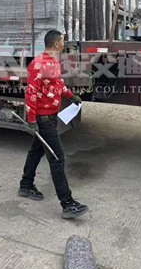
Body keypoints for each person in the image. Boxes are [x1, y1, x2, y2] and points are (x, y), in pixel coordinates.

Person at [19, 29, 89, 219]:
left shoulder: (54, 62)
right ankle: (67, 203)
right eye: (63, 41)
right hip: (43, 119)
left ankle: (26, 184)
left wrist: (71, 96)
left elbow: (57, 84)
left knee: (36, 151)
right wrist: (31, 120)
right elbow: (31, 93)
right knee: (57, 158)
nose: (64, 44)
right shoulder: (38, 64)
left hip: (51, 116)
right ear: (57, 43)